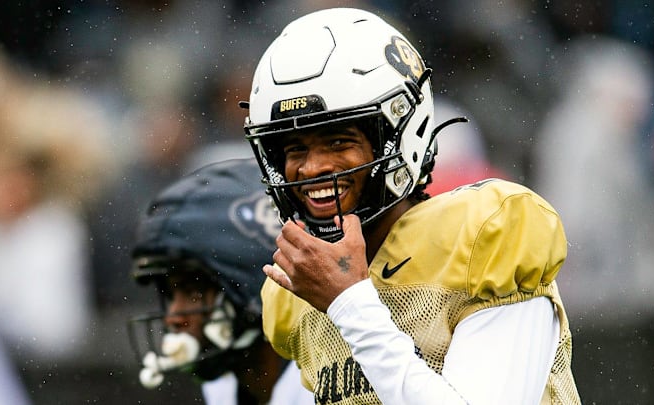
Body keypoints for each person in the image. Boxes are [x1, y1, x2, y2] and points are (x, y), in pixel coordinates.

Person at [241, 8, 580, 404]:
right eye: (294, 148)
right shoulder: (298, 286)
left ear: (398, 134)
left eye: (338, 141)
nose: (312, 168)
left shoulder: (482, 239)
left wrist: (351, 304)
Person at [127, 158, 313, 405]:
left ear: (252, 282)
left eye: (192, 291)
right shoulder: (224, 388)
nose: (173, 317)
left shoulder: (325, 383)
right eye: (170, 294)